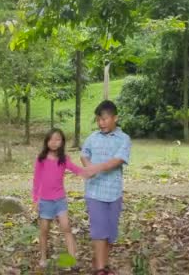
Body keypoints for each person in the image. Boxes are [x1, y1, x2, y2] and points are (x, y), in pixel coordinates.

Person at [81, 100, 132, 275]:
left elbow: (117, 160)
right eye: (98, 120)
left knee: (110, 233)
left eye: (104, 119)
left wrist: (96, 167)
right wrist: (88, 164)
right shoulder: (92, 138)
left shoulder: (124, 139)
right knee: (99, 230)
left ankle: (99, 261)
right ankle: (101, 270)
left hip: (114, 192)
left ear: (115, 118)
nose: (101, 123)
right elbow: (84, 153)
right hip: (94, 191)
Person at [32, 128, 90, 269]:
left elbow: (76, 169)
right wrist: (35, 199)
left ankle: (72, 259)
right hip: (45, 201)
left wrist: (89, 172)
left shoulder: (64, 159)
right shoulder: (41, 159)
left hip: (60, 200)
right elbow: (37, 180)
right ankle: (43, 257)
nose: (54, 142)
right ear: (46, 142)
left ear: (62, 142)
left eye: (57, 139)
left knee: (66, 228)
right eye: (51, 139)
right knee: (44, 230)